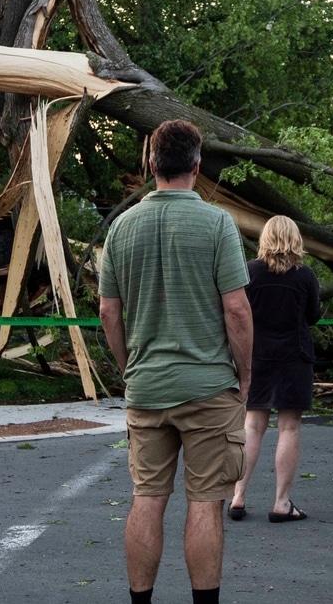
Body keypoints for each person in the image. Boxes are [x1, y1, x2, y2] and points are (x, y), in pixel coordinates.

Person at [98, 119, 254, 604]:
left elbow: (108, 311)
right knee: (205, 502)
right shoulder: (217, 223)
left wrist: (129, 369)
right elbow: (237, 309)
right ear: (197, 165)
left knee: (148, 497)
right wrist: (244, 376)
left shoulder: (121, 228)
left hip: (147, 387)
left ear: (151, 164)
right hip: (208, 386)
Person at [227, 216, 321, 524]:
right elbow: (313, 316)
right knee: (289, 428)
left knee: (252, 425)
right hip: (294, 356)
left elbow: (237, 312)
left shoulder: (249, 271)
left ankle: (238, 496)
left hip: (258, 357)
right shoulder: (305, 275)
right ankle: (281, 501)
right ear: (295, 239)